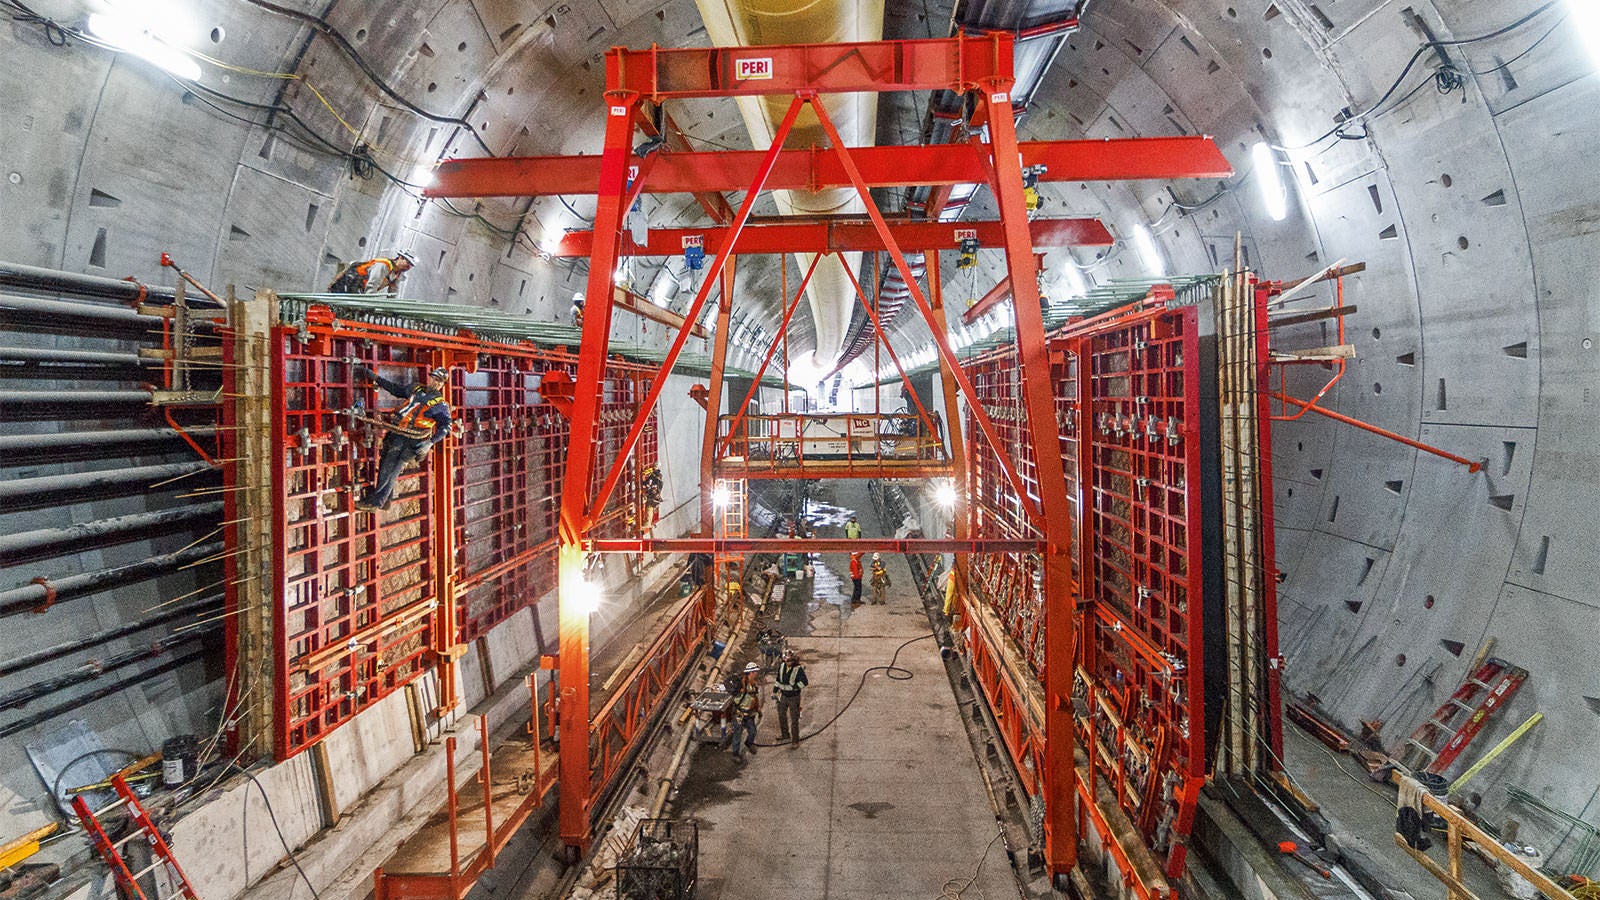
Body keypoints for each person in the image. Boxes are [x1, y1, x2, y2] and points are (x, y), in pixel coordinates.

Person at [353, 362, 457, 511]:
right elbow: (396, 389)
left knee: (391, 467)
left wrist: (430, 443)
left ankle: (376, 503)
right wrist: (377, 378)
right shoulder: (417, 389)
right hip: (398, 432)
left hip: (411, 440)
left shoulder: (439, 405)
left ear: (442, 384)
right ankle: (386, 499)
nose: (434, 382)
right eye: (433, 378)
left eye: (438, 381)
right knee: (385, 464)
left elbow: (446, 426)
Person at [329, 251, 415, 294]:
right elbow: (372, 284)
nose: (408, 267)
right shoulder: (384, 265)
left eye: (410, 265)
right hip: (349, 282)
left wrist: (393, 310)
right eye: (408, 263)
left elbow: (393, 293)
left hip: (359, 288)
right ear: (400, 257)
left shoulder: (396, 275)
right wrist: (368, 303)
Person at [725, 662, 762, 760]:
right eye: (755, 672)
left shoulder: (753, 684)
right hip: (739, 714)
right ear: (751, 672)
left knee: (752, 731)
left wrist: (758, 709)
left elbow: (755, 697)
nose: (756, 674)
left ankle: (749, 743)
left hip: (749, 714)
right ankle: (735, 754)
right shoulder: (741, 684)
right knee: (737, 734)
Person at [772, 649, 808, 746]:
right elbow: (778, 680)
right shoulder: (782, 667)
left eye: (790, 661)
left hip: (794, 698)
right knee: (781, 715)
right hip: (783, 696)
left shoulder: (798, 669)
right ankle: (785, 735)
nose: (788, 663)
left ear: (793, 660)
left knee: (794, 719)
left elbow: (805, 682)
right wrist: (774, 691)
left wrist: (795, 687)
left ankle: (795, 741)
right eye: (786, 660)